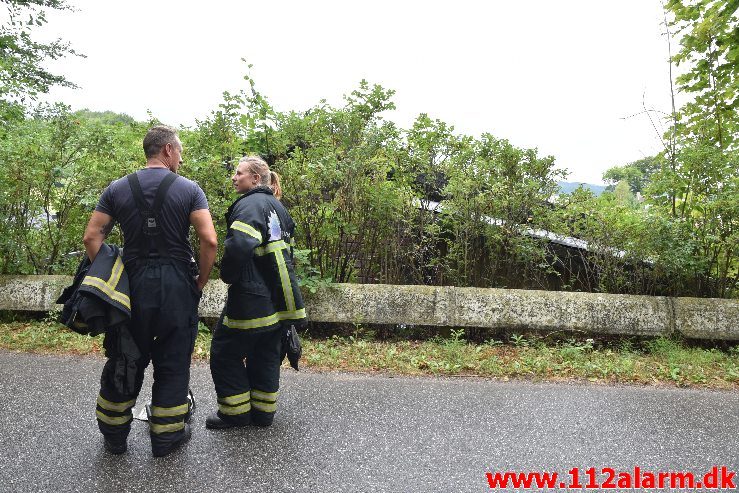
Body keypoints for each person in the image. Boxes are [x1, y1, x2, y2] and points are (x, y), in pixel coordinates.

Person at [82, 125, 217, 457]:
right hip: (177, 286)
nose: (181, 160)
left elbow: (91, 237)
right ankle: (166, 438)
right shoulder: (190, 190)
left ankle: (114, 436)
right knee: (173, 360)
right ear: (168, 150)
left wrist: (110, 278)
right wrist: (198, 282)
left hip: (132, 285)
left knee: (126, 357)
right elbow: (210, 239)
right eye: (180, 152)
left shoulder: (117, 188)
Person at [207, 155, 307, 429]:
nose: (233, 177)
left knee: (224, 352)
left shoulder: (249, 205)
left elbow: (240, 245)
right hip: (279, 303)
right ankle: (263, 414)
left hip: (251, 300)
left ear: (255, 179)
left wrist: (227, 273)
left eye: (239, 173)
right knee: (266, 354)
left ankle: (235, 413)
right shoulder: (278, 207)